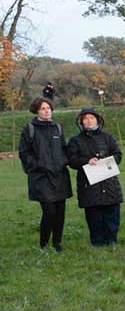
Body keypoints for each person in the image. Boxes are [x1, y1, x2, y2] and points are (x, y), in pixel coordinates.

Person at [19, 96, 73, 251]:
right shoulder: (29, 129)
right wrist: (39, 165)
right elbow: (24, 153)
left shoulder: (57, 128)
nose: (46, 111)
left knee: (60, 212)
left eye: (48, 108)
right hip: (41, 177)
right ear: (36, 111)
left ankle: (57, 243)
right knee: (49, 212)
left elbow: (64, 149)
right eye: (43, 108)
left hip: (60, 176)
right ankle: (43, 244)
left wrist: (64, 161)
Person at [66, 108, 124, 247]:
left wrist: (106, 160)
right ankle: (97, 242)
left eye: (91, 118)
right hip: (88, 183)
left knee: (112, 212)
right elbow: (71, 160)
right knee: (94, 214)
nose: (89, 121)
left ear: (97, 120)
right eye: (85, 118)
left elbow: (118, 155)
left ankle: (111, 240)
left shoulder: (108, 137)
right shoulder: (75, 140)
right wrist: (87, 161)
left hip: (109, 181)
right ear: (81, 122)